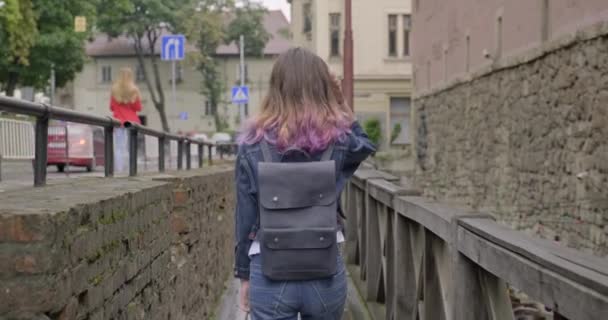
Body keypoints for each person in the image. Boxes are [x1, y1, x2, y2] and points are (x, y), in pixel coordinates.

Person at [235, 47, 376, 320]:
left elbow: (244, 216)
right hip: (324, 272)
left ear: (276, 88)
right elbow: (366, 145)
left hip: (268, 269)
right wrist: (341, 100)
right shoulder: (338, 139)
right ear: (323, 88)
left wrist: (243, 275)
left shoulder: (252, 144)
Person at [110, 67, 142, 172]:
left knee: (119, 147)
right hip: (131, 122)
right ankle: (130, 169)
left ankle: (119, 170)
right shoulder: (134, 90)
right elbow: (138, 108)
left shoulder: (114, 89)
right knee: (130, 146)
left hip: (119, 121)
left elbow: (111, 107)